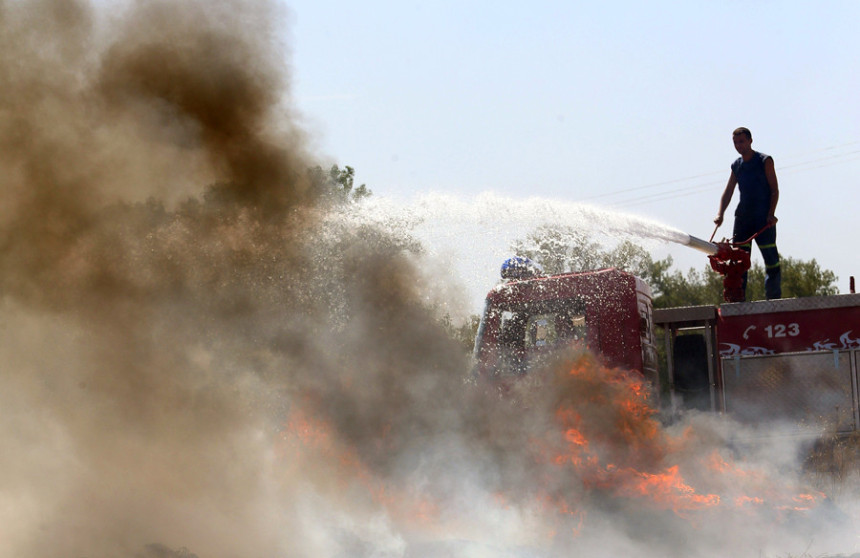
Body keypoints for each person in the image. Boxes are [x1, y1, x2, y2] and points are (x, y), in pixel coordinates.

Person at [714, 127, 781, 300]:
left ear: (750, 141)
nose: (739, 146)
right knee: (738, 263)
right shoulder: (737, 165)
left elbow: (774, 190)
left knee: (771, 261)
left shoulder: (765, 161)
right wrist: (720, 214)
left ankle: (773, 301)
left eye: (742, 141)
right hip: (743, 220)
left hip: (763, 219)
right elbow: (728, 192)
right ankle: (739, 303)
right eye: (735, 143)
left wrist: (771, 213)